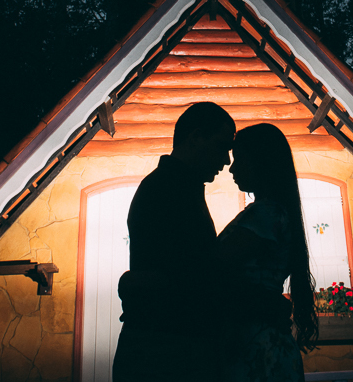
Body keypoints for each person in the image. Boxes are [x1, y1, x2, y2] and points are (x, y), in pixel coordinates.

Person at [112, 101, 236, 382]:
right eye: (222, 147)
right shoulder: (168, 190)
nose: (227, 161)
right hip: (165, 353)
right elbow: (189, 275)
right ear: (195, 137)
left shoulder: (177, 186)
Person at [217, 123, 318, 382]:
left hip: (258, 349)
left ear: (260, 162)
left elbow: (213, 264)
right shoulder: (273, 213)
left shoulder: (265, 214)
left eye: (240, 159)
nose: (232, 168)